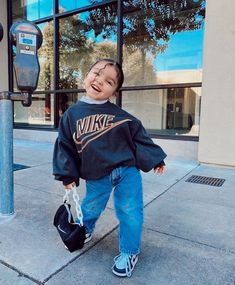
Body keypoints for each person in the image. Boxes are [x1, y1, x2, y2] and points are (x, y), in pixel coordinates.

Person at [53, 58, 167, 277]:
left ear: (113, 92)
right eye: (96, 73)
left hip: (127, 171)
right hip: (97, 173)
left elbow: (139, 137)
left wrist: (155, 159)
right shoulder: (71, 116)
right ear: (86, 76)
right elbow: (65, 146)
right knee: (91, 207)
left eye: (109, 81)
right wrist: (67, 174)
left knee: (130, 211)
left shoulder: (122, 116)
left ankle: (129, 251)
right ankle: (85, 229)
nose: (99, 81)